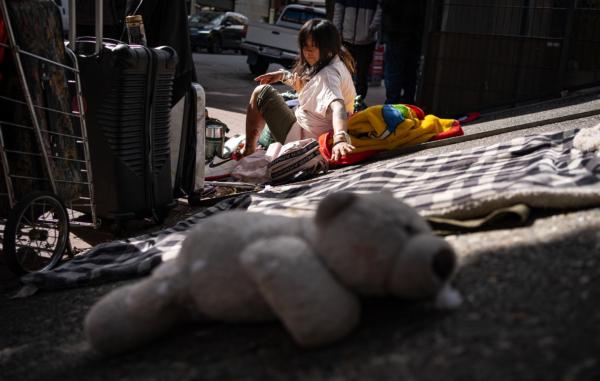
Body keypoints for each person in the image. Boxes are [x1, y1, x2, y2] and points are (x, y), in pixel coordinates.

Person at [243, 18, 357, 162]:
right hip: (306, 131)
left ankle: (249, 150)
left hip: (302, 140)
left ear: (328, 47)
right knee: (284, 99)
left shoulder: (328, 75)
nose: (308, 52)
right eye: (305, 46)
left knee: (261, 92)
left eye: (314, 46)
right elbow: (309, 87)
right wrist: (283, 76)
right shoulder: (335, 61)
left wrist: (340, 138)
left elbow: (338, 106)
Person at [332, 0, 381, 102]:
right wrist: (337, 34)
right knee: (344, 72)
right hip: (347, 39)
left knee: (362, 75)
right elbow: (338, 12)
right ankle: (343, 100)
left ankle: (358, 101)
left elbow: (380, 10)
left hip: (367, 41)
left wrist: (371, 29)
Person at [380, 0, 426, 104]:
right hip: (414, 33)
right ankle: (408, 103)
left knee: (394, 71)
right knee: (410, 72)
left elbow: (386, 6)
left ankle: (392, 104)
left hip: (395, 31)